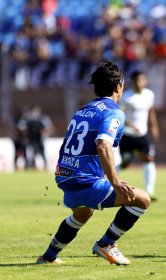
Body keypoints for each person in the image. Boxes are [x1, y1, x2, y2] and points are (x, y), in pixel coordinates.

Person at [36, 60, 151, 265]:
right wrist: (115, 182)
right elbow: (103, 146)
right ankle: (106, 244)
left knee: (82, 213)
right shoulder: (113, 111)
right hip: (84, 180)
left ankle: (48, 256)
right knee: (142, 199)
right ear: (119, 87)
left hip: (64, 176)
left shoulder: (82, 110)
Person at [118, 71, 159, 200]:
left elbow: (151, 112)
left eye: (141, 80)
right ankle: (107, 183)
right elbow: (119, 115)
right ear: (132, 81)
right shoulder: (126, 97)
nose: (138, 83)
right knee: (125, 163)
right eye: (136, 80)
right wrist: (131, 125)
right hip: (127, 136)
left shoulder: (149, 95)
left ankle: (149, 191)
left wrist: (154, 127)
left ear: (145, 81)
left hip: (142, 135)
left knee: (149, 159)